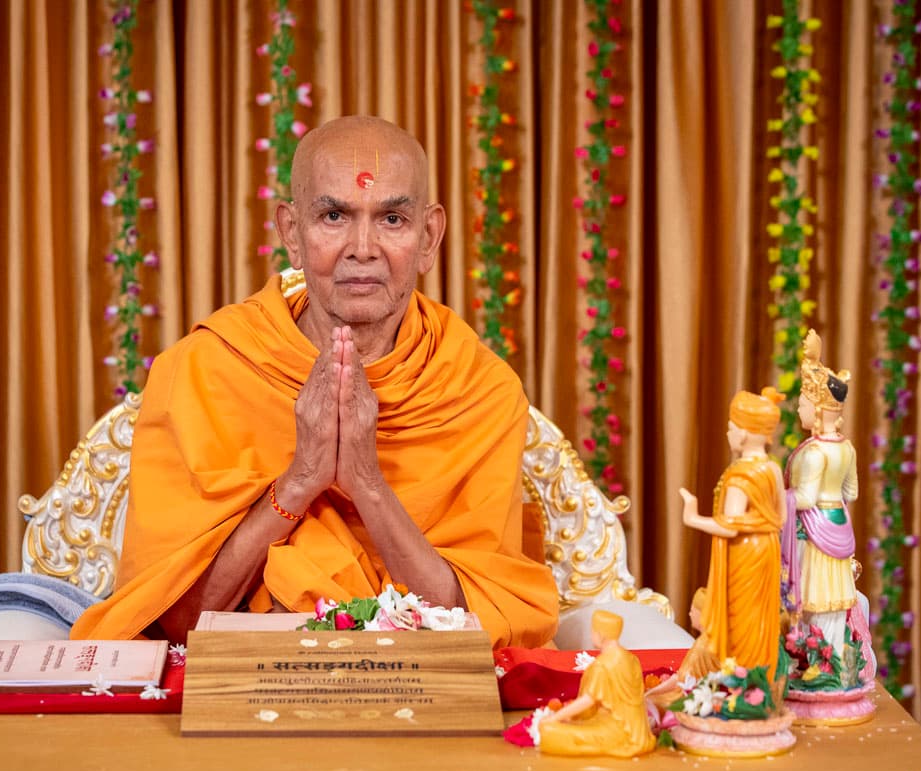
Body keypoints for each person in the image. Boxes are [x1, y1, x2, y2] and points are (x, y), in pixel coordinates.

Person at [71, 116, 559, 649]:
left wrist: (367, 483)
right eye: (333, 216)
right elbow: (173, 623)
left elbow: (475, 627)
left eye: (392, 218)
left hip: (419, 694)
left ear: (429, 237)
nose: (363, 248)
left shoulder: (476, 391)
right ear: (291, 233)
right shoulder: (208, 370)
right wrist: (301, 479)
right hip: (244, 689)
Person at [679, 388, 785, 678]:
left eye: (731, 428)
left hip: (745, 554)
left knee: (742, 619)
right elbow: (781, 517)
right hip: (768, 549)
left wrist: (693, 517)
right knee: (760, 617)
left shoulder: (740, 475)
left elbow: (729, 526)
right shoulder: (773, 469)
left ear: (745, 433)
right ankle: (759, 681)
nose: (728, 433)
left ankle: (742, 684)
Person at [783, 329, 860, 656]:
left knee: (814, 600)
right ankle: (829, 661)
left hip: (814, 536)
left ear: (816, 410)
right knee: (831, 603)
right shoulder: (846, 448)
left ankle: (820, 663)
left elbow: (804, 500)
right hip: (838, 526)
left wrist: (777, 494)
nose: (798, 409)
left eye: (802, 403)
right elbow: (851, 493)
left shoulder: (814, 453)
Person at [538, 610, 655, 758]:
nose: (591, 635)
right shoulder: (632, 659)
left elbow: (588, 700)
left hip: (616, 730)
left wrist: (554, 718)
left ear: (601, 635)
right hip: (639, 731)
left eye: (593, 631)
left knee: (549, 731)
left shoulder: (603, 665)